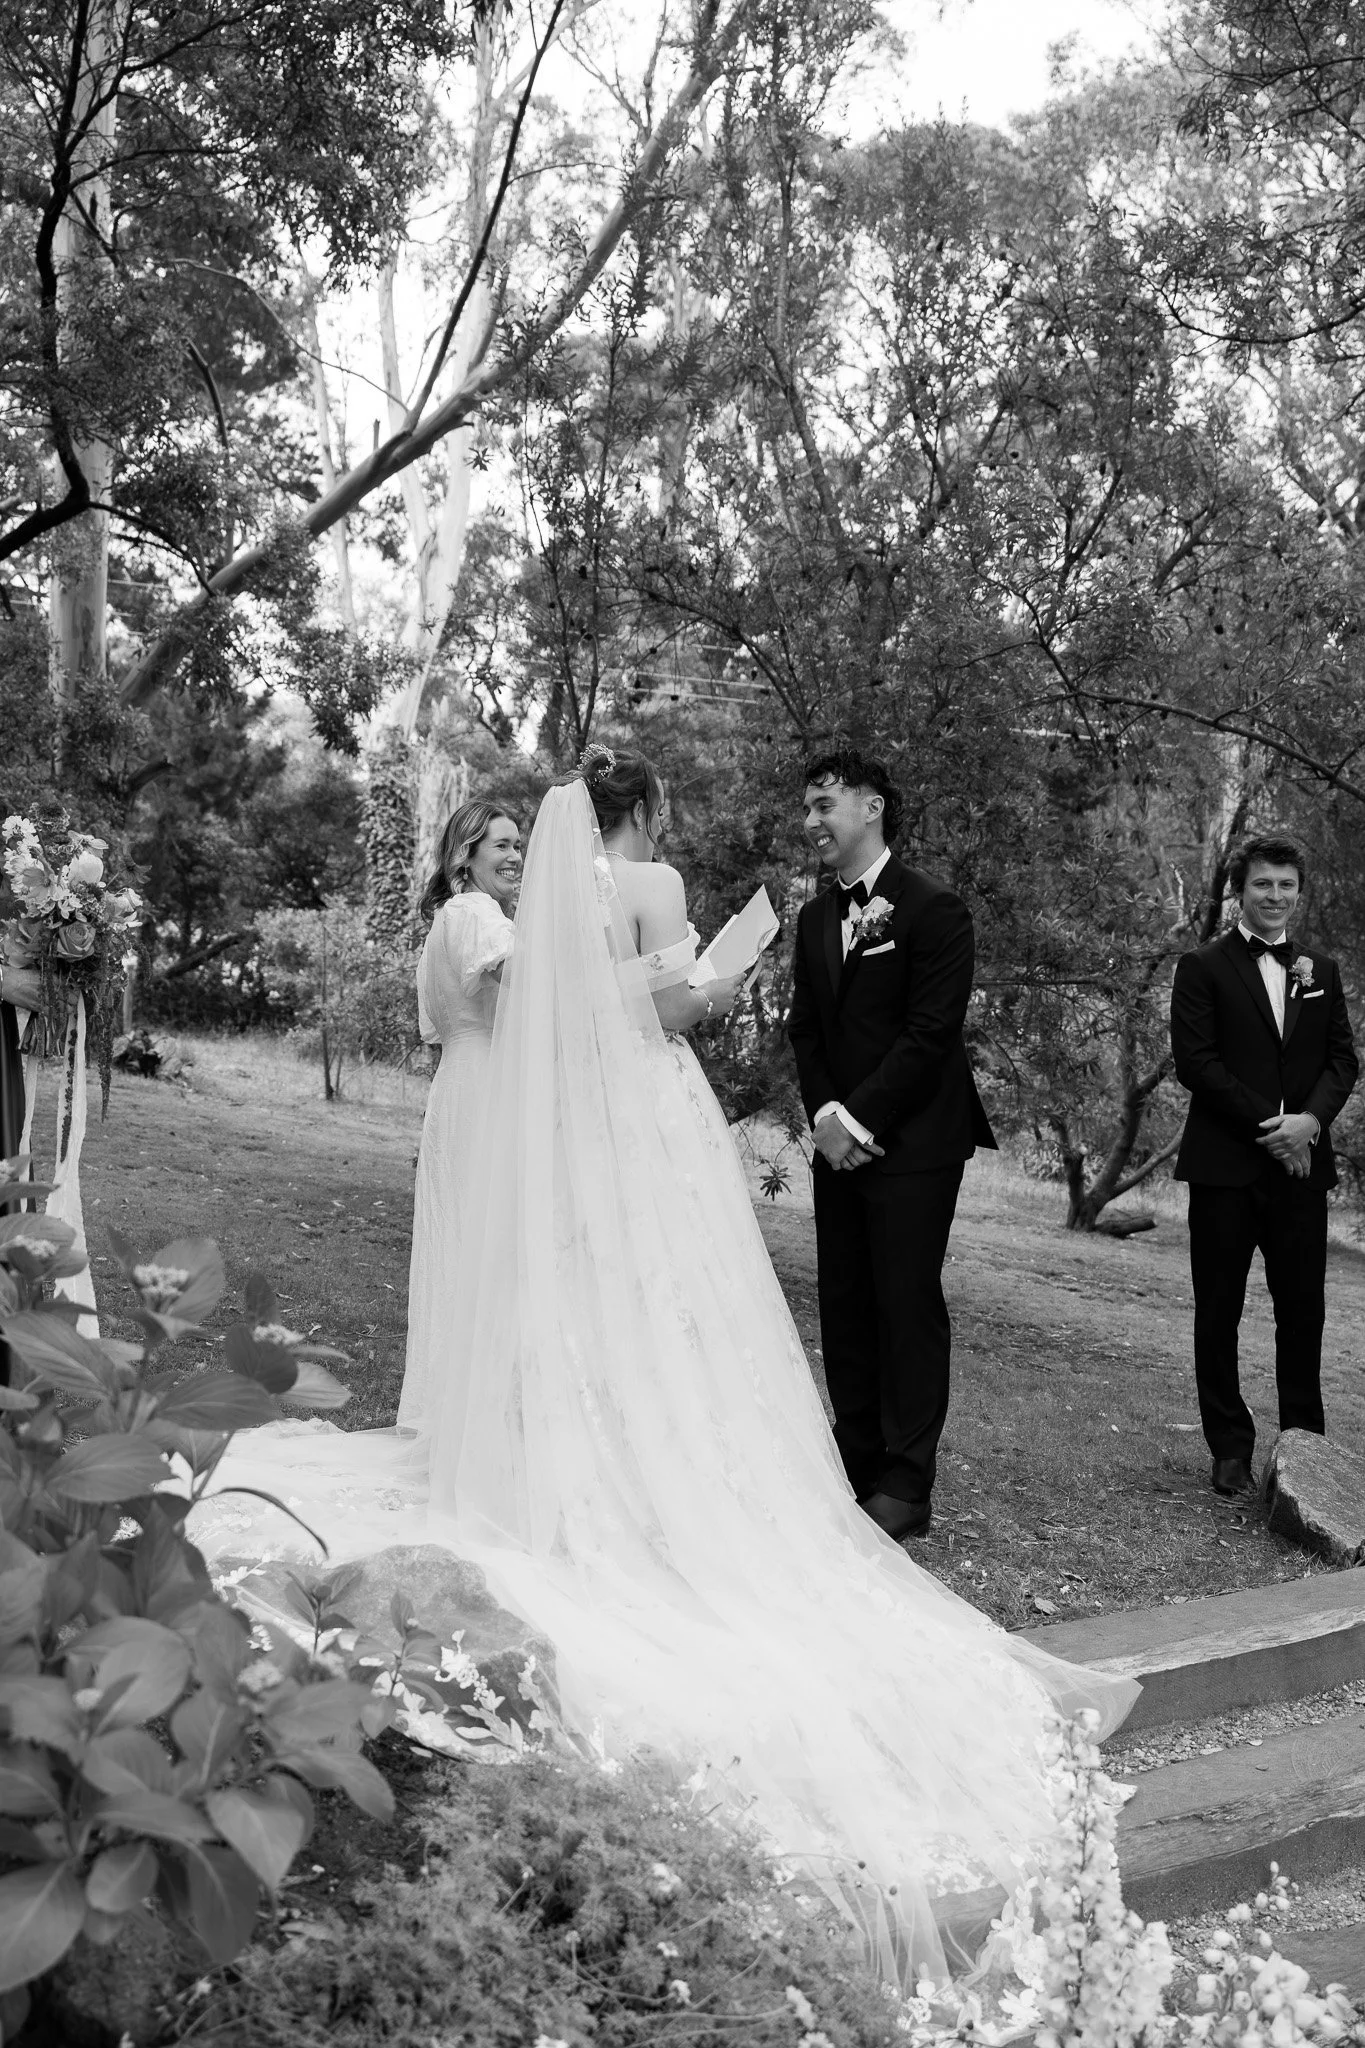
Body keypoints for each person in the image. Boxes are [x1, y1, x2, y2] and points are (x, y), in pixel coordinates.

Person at [190, 746, 1135, 1986]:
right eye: (491, 844)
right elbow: (627, 1002)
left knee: (650, 1297)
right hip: (590, 1107)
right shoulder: (581, 899)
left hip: (627, 1119)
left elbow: (580, 1001)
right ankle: (780, 1470)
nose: (510, 858)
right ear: (649, 816)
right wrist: (696, 972)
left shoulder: (576, 903)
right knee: (666, 1301)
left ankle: (822, 1462)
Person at [787, 746, 996, 1542]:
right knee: (843, 1304)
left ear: (870, 807)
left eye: (824, 805)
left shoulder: (933, 909)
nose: (811, 821)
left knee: (904, 1305)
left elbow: (929, 1033)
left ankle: (907, 1485)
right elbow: (805, 1030)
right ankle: (857, 1459)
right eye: (807, 808)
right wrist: (826, 1120)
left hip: (914, 1144)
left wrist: (858, 1120)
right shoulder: (812, 918)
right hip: (836, 1143)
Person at [1171, 833, 1359, 1498]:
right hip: (1224, 1168)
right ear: (1238, 891)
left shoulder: (1319, 970)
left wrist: (1308, 1123)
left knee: (1301, 1311)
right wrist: (1270, 1127)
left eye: (1285, 886)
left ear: (1297, 892)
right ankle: (1227, 1446)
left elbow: (1342, 1061)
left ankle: (1303, 1449)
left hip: (1301, 1171)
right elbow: (1197, 1064)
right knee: (1217, 1310)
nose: (1274, 896)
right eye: (1262, 885)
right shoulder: (1202, 967)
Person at [396, 799, 521, 1434]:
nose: (515, 855)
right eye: (500, 844)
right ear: (463, 858)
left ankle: (457, 1417)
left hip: (461, 1088)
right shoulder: (476, 914)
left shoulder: (451, 919)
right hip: (486, 1092)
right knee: (490, 1247)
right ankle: (484, 1422)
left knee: (467, 1247)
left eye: (518, 843)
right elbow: (520, 972)